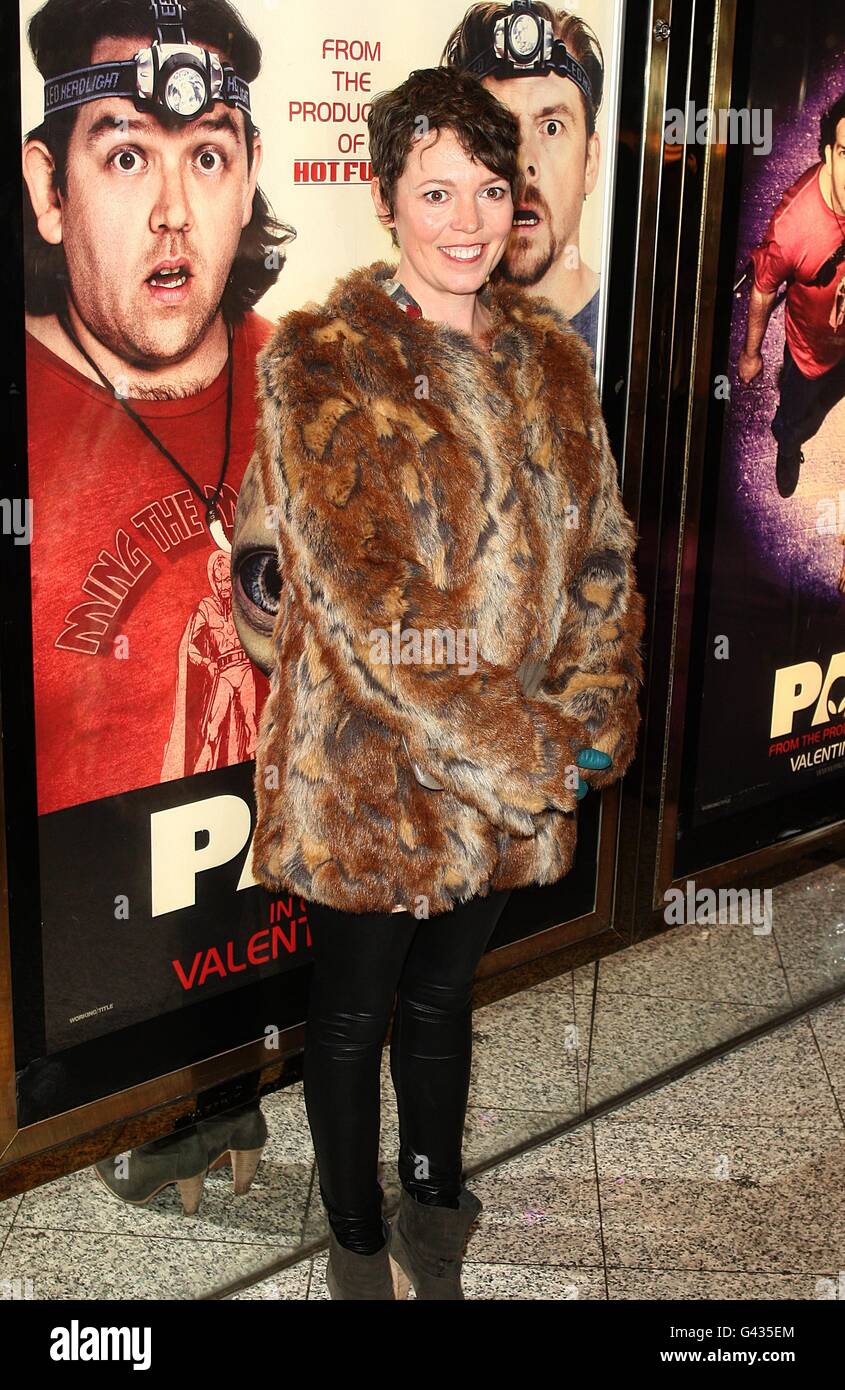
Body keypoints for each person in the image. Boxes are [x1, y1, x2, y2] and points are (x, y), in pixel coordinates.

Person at [232, 64, 645, 1299]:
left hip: (513, 768)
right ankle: (355, 1242)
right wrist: (522, 747)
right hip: (371, 773)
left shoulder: (551, 365)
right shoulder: (321, 362)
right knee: (353, 1014)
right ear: (384, 201)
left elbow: (601, 560)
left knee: (445, 995)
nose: (465, 220)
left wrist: (590, 712)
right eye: (433, 191)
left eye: (485, 187)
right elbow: (371, 613)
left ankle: (432, 1204)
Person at [22, 0, 293, 1207]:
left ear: (247, 187)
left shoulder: (315, 386)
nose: (173, 210)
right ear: (48, 188)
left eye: (208, 156)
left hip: (279, 936)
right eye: (126, 153)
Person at [441, 1, 605, 362]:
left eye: (551, 128)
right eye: (501, 129)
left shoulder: (638, 334)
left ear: (590, 162)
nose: (523, 164)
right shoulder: (420, 346)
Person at [738, 92, 845, 500]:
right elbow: (764, 292)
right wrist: (751, 354)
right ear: (828, 155)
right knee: (799, 415)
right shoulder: (792, 227)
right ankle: (788, 441)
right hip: (810, 350)